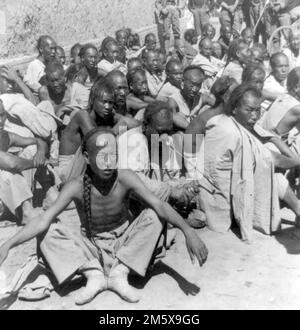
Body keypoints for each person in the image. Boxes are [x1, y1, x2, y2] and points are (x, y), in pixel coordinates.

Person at [0, 128, 208, 305]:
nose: (109, 164)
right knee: (47, 229)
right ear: (87, 158)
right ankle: (94, 275)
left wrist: (188, 231)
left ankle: (120, 272)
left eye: (113, 156)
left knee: (155, 216)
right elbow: (42, 220)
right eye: (102, 157)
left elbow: (159, 205)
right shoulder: (76, 186)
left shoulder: (125, 177)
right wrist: (7, 245)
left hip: (124, 247)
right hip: (91, 250)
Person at [198, 84, 300, 241]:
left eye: (257, 110)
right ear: (234, 109)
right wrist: (295, 161)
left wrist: (276, 143)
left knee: (268, 157)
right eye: (249, 110)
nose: (255, 115)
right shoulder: (227, 129)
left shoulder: (237, 124)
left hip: (233, 183)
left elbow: (271, 148)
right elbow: (276, 160)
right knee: (271, 169)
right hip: (220, 195)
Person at [0, 100, 47, 224]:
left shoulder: (4, 135)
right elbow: (11, 163)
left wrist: (40, 153)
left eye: (1, 115)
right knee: (8, 171)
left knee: (31, 149)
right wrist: (36, 162)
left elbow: (38, 140)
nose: (0, 121)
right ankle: (26, 212)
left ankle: (50, 194)